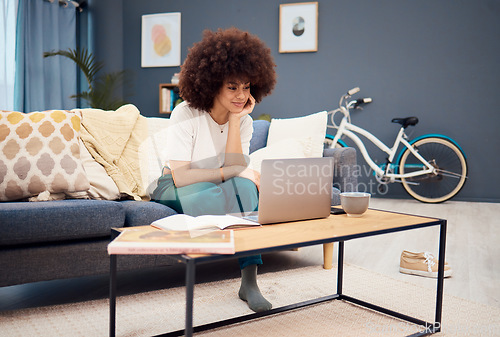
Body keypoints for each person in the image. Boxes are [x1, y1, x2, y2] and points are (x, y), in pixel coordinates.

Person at [152, 27, 277, 312]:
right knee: (213, 195)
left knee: (245, 188)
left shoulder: (244, 120)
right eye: (232, 87)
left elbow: (237, 167)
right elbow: (182, 175)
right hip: (172, 183)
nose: (241, 95)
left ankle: (249, 282)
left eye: (246, 87)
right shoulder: (185, 113)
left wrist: (235, 120)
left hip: (213, 182)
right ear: (212, 84)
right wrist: (227, 173)